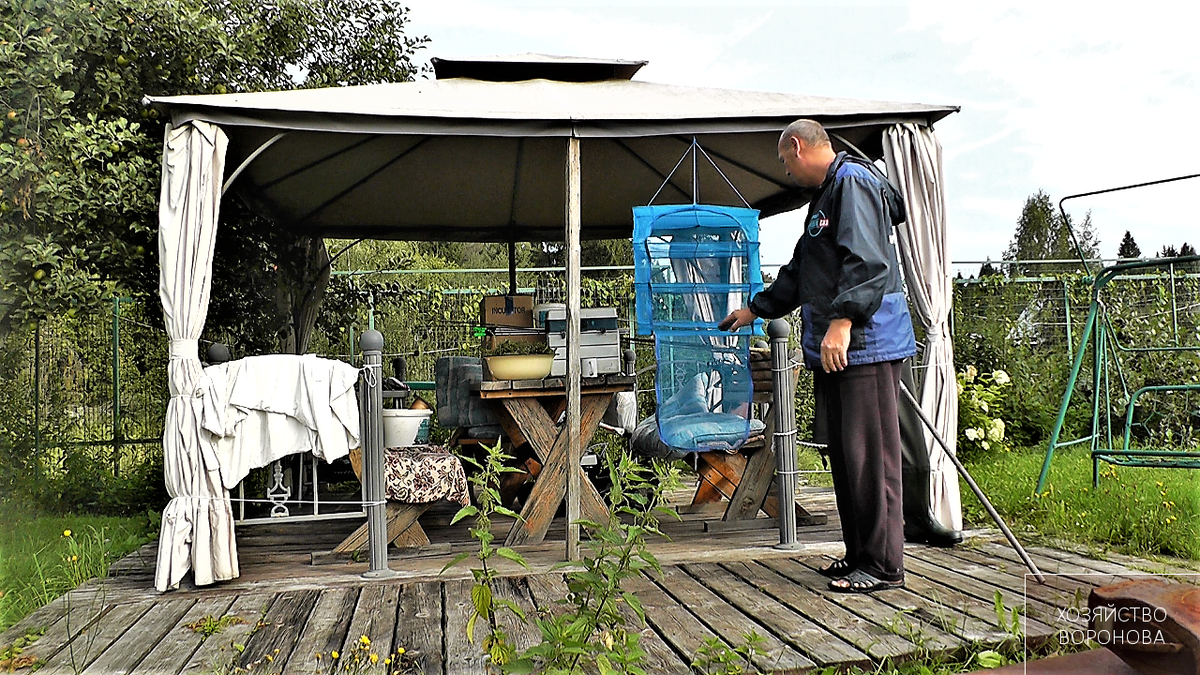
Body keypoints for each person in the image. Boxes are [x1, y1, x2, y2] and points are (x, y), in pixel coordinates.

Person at [719, 119, 915, 593]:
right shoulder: (826, 196)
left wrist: (843, 322)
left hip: (864, 344)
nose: (786, 171)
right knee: (849, 456)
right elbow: (804, 268)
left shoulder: (854, 183)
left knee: (871, 457)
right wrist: (755, 308)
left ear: (797, 145)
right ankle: (860, 555)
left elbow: (868, 261)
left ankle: (884, 565)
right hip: (840, 348)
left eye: (785, 161)